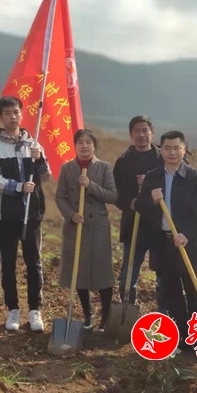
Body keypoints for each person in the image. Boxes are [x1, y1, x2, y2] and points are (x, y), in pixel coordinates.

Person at [0, 96, 50, 332]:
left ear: (22, 114)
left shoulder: (34, 143)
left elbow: (45, 177)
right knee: (8, 263)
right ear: (0, 117)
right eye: (7, 113)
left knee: (34, 261)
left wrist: (39, 160)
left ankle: (35, 310)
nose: (12, 117)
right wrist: (18, 187)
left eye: (16, 112)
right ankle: (13, 309)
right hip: (6, 214)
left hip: (32, 212)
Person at [136, 130, 197, 350]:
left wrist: (186, 234)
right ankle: (181, 338)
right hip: (162, 244)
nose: (172, 152)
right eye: (167, 148)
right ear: (161, 150)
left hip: (186, 243)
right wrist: (151, 199)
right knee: (172, 293)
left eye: (177, 148)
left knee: (194, 293)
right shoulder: (153, 176)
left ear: (184, 149)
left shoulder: (195, 177)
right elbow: (140, 206)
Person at [56, 129, 118, 331]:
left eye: (88, 142)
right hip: (76, 226)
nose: (84, 146)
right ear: (75, 146)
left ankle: (106, 317)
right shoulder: (67, 168)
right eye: (80, 142)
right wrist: (71, 214)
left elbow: (112, 196)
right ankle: (88, 315)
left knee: (102, 272)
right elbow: (60, 197)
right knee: (79, 271)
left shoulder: (104, 167)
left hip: (98, 226)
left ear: (94, 146)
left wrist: (90, 185)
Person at [113, 115, 162, 307]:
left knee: (164, 275)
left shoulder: (162, 158)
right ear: (130, 135)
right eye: (136, 131)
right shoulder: (124, 161)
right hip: (133, 224)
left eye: (145, 130)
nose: (141, 135)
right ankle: (127, 308)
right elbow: (115, 192)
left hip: (160, 226)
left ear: (152, 133)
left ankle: (165, 313)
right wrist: (129, 203)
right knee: (128, 275)